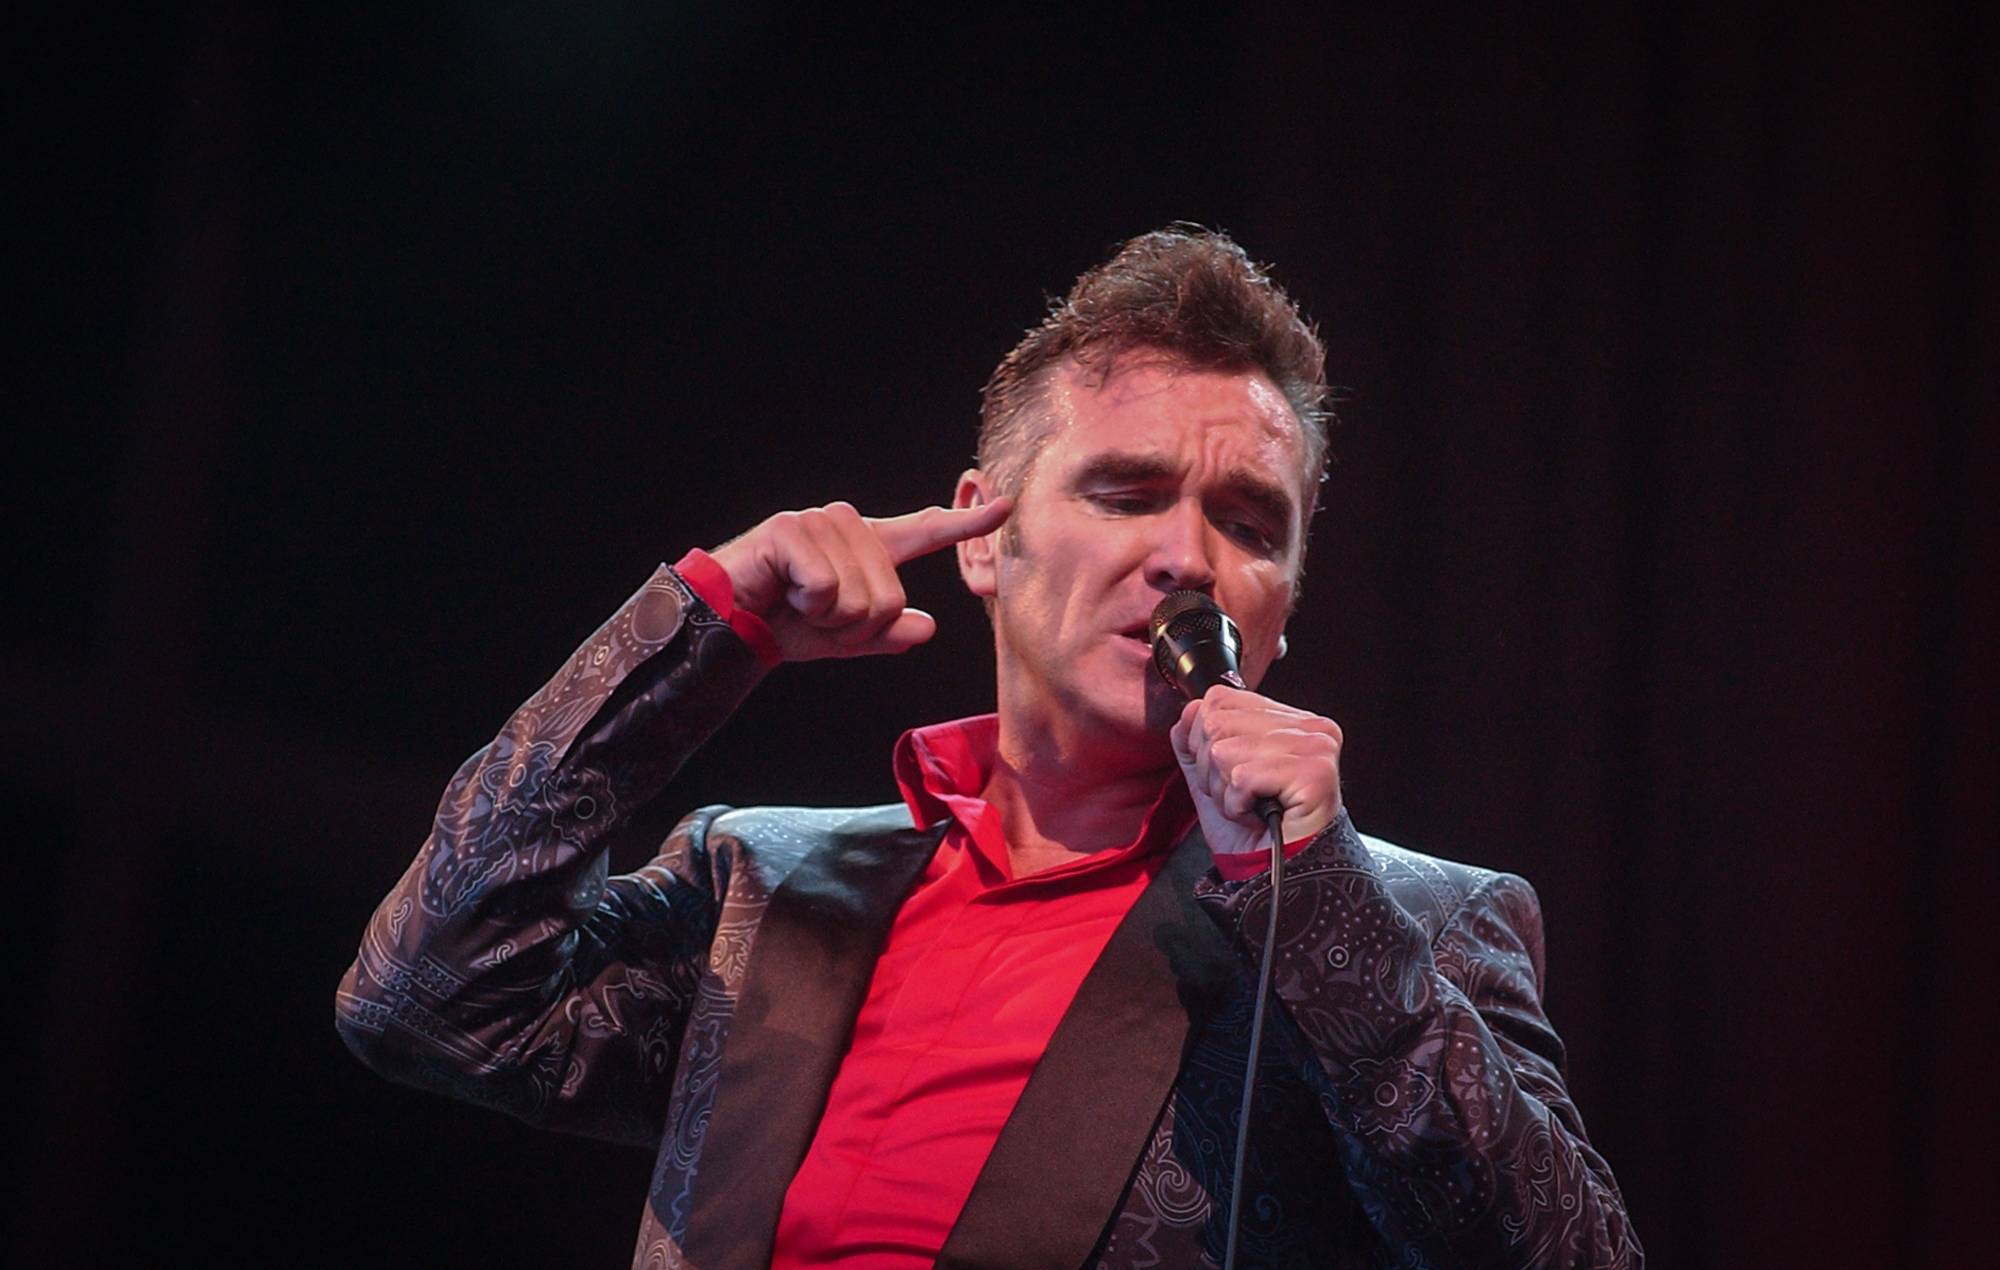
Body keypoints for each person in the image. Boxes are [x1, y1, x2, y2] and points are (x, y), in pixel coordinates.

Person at [336, 227, 1641, 1268]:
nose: (1186, 555)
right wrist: (703, 632)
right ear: (981, 538)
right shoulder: (762, 887)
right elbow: (430, 1000)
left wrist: (1324, 897)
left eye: (1249, 524)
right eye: (1126, 493)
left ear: (1284, 607)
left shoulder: (1403, 921)